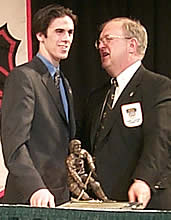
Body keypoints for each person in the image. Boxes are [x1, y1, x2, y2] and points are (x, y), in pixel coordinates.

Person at [81, 17, 171, 210]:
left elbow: (160, 138)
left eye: (108, 39)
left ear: (132, 45)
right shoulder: (97, 97)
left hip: (141, 201)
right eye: (99, 41)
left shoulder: (159, 87)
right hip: (101, 204)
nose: (101, 46)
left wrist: (144, 180)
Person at [1, 4, 77, 207]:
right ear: (40, 35)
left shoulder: (64, 83)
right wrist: (36, 187)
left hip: (60, 198)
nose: (66, 38)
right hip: (31, 199)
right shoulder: (24, 77)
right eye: (59, 31)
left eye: (70, 32)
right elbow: (14, 144)